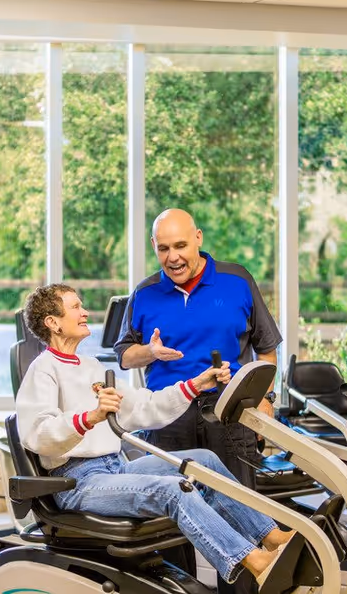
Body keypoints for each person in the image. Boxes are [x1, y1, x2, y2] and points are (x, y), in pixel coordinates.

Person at [15, 283, 294, 587]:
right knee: (174, 490)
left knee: (203, 462)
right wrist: (90, 417)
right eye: (75, 307)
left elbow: (143, 406)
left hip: (115, 467)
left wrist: (196, 385)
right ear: (52, 322)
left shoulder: (92, 366)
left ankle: (272, 537)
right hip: (79, 482)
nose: (84, 313)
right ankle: (255, 562)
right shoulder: (42, 370)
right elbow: (37, 434)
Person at [115, 208, 283, 594]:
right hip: (167, 416)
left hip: (229, 412)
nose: (172, 257)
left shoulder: (236, 279)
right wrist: (150, 352)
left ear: (198, 239)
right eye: (162, 249)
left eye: (179, 245)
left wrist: (266, 399)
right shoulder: (144, 293)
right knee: (173, 517)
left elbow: (267, 348)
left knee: (240, 508)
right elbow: (124, 355)